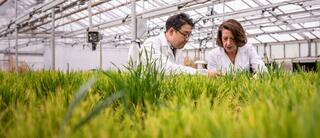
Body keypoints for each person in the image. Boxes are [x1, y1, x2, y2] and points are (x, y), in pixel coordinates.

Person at [139, 13, 207, 75]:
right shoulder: (151, 44)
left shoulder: (178, 50)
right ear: (171, 31)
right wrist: (200, 73)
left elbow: (179, 73)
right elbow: (163, 68)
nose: (187, 39)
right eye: (185, 34)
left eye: (189, 35)